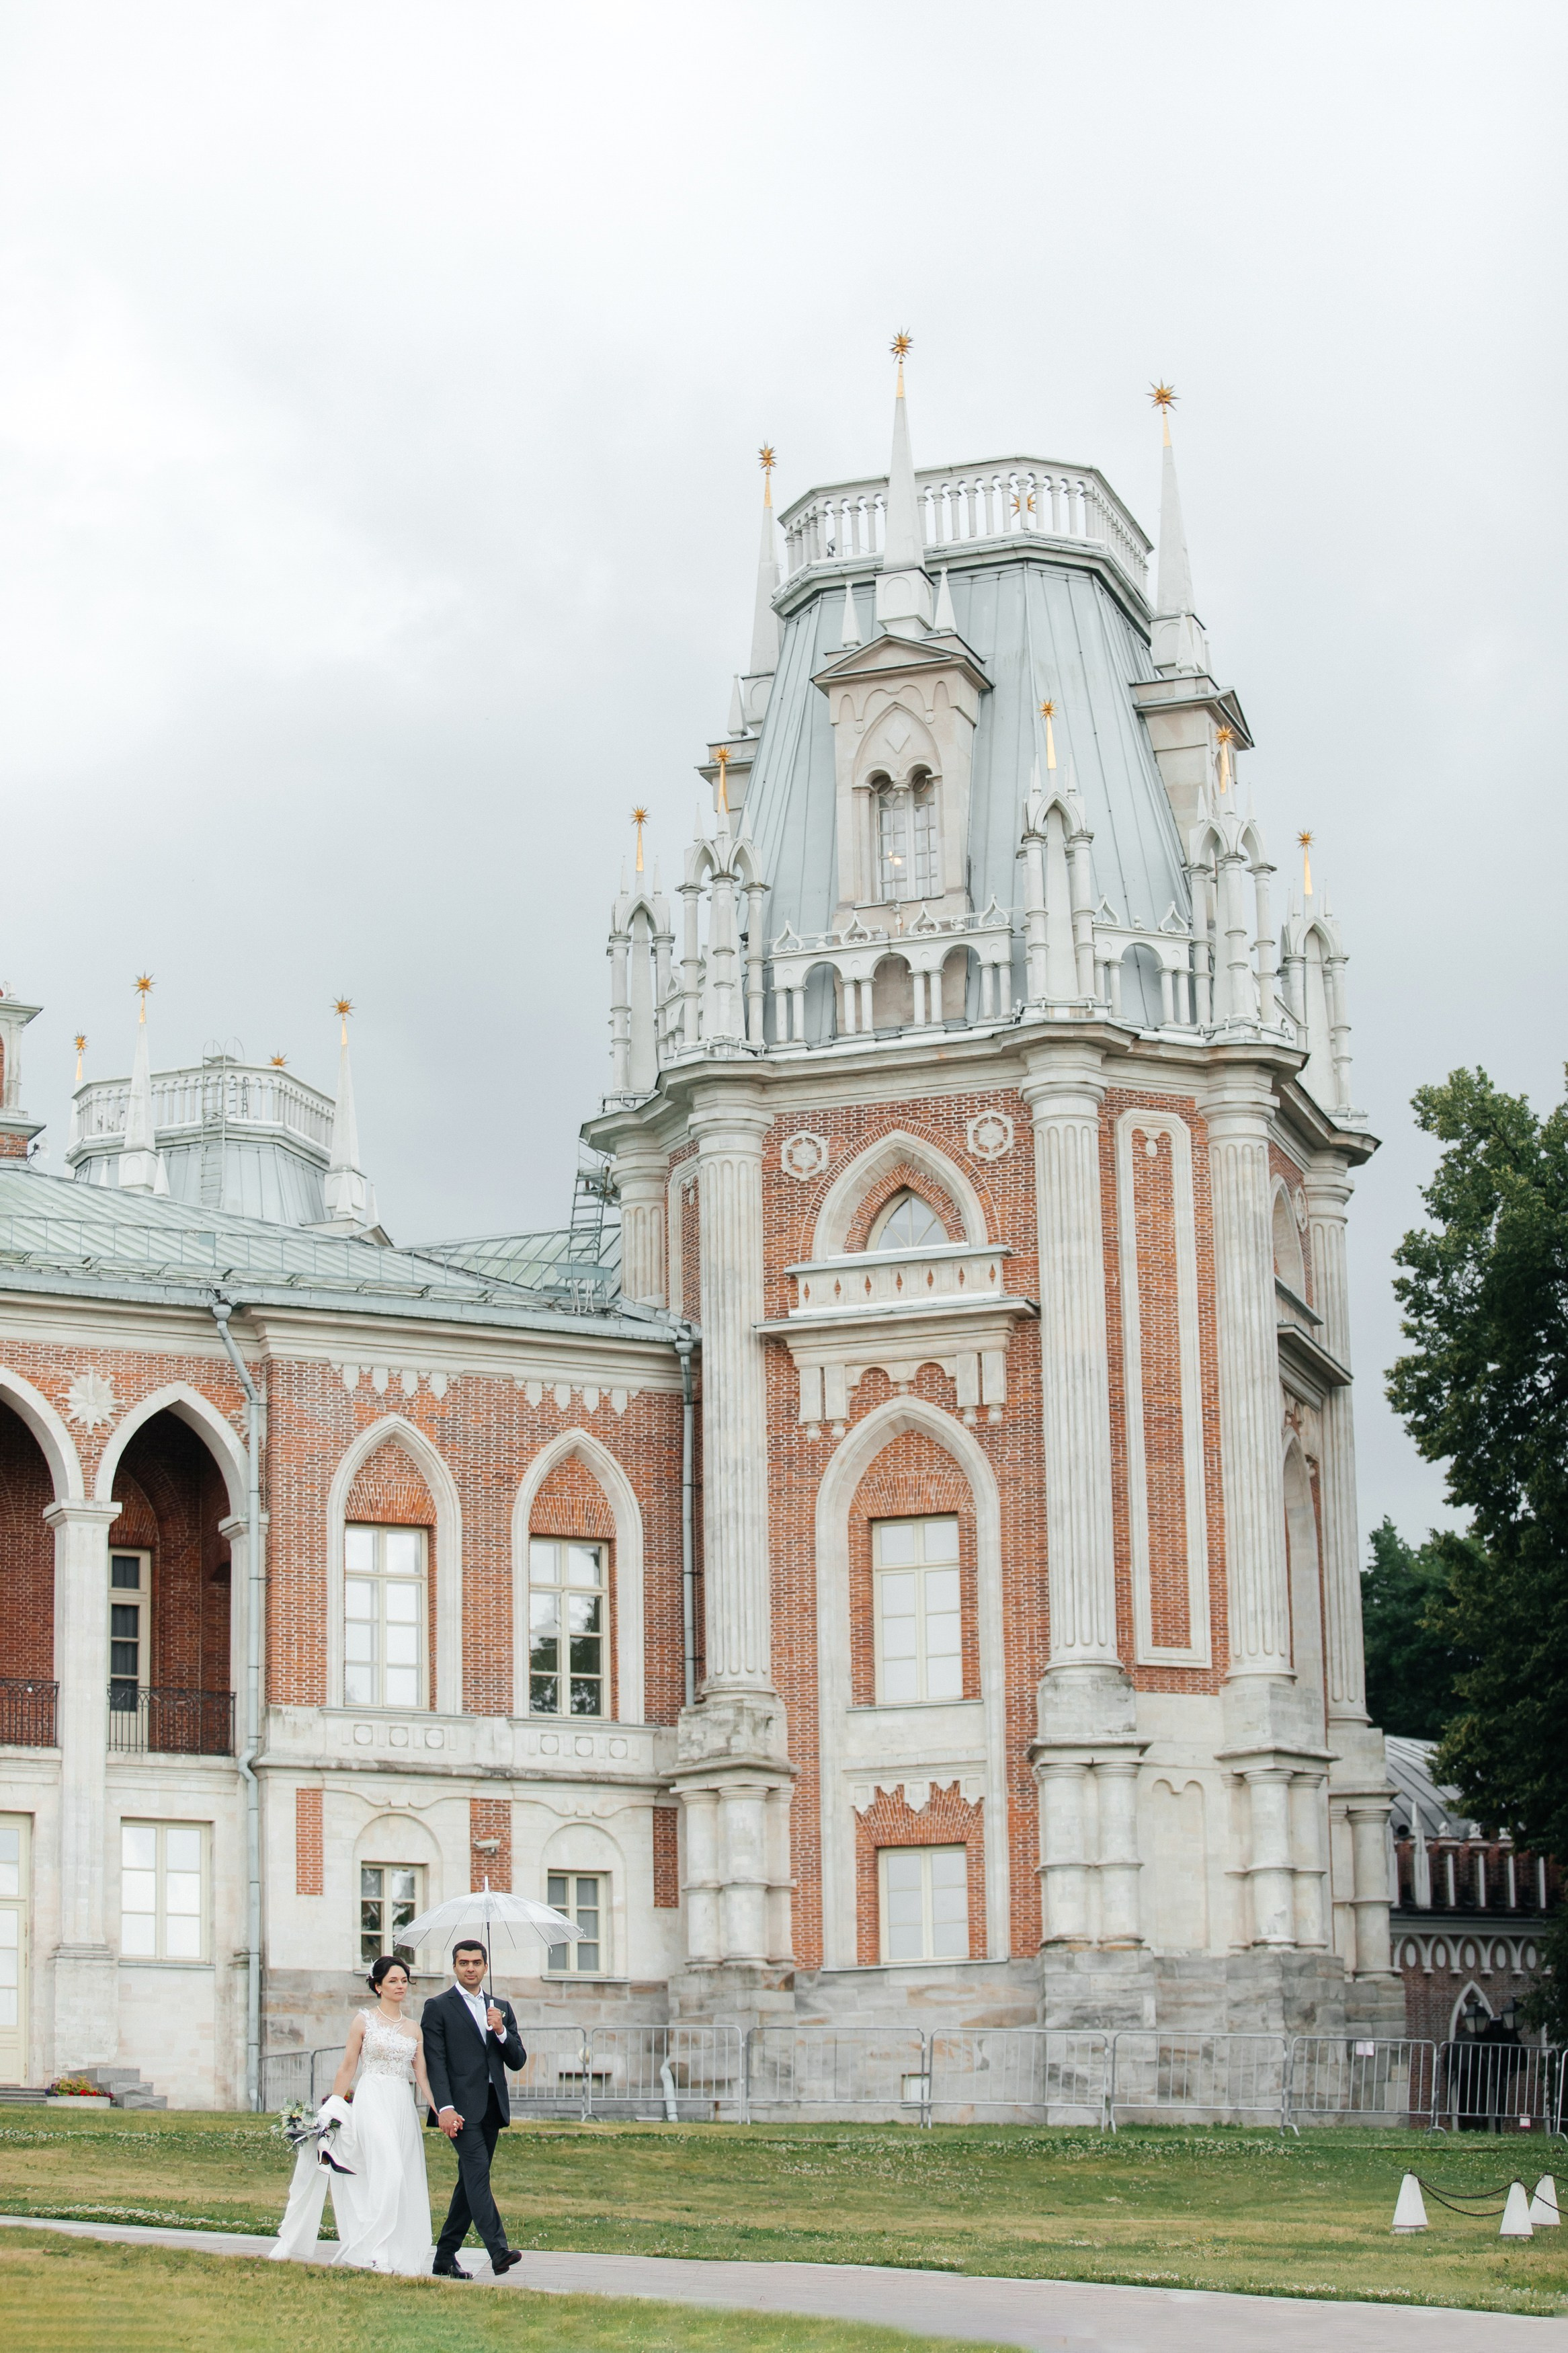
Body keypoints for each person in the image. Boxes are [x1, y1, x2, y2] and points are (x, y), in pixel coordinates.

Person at [272, 1954, 436, 2274]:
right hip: (372, 2099)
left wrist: (440, 2109)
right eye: (393, 1981)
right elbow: (348, 2066)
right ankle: (377, 2252)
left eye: (404, 1980)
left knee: (396, 2176)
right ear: (378, 1986)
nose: (400, 1986)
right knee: (390, 2172)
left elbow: (422, 2077)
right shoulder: (363, 2021)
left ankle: (381, 2249)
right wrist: (333, 2106)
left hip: (401, 2105)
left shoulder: (414, 2029)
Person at [421, 1938, 528, 2280]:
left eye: (476, 1963)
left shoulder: (501, 2008)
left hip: (492, 2108)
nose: (470, 1968)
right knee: (478, 2173)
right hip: (458, 2112)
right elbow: (435, 2062)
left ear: (485, 1967)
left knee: (469, 2182)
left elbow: (518, 2060)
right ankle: (498, 2251)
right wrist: (444, 2108)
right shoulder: (438, 2007)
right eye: (464, 1963)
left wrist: (501, 2031)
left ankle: (444, 2257)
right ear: (454, 1966)